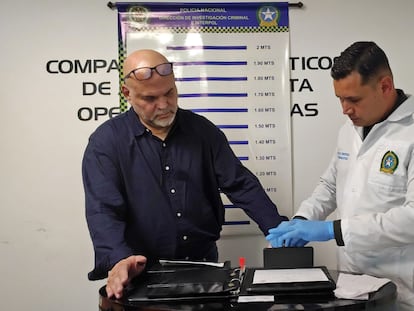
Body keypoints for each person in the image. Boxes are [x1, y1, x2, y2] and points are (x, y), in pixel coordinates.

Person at [82, 49, 287, 299]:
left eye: (169, 92)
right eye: (150, 98)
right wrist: (118, 259)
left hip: (204, 266)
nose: (164, 104)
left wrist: (279, 230)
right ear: (127, 94)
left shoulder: (203, 132)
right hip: (142, 272)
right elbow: (103, 209)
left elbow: (240, 184)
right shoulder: (106, 143)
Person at [266, 41, 414, 310]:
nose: (345, 109)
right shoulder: (350, 130)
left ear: (385, 86)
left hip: (401, 288)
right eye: (340, 99)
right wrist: (303, 220)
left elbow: (411, 218)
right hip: (351, 283)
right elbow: (331, 185)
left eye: (353, 99)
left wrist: (332, 230)